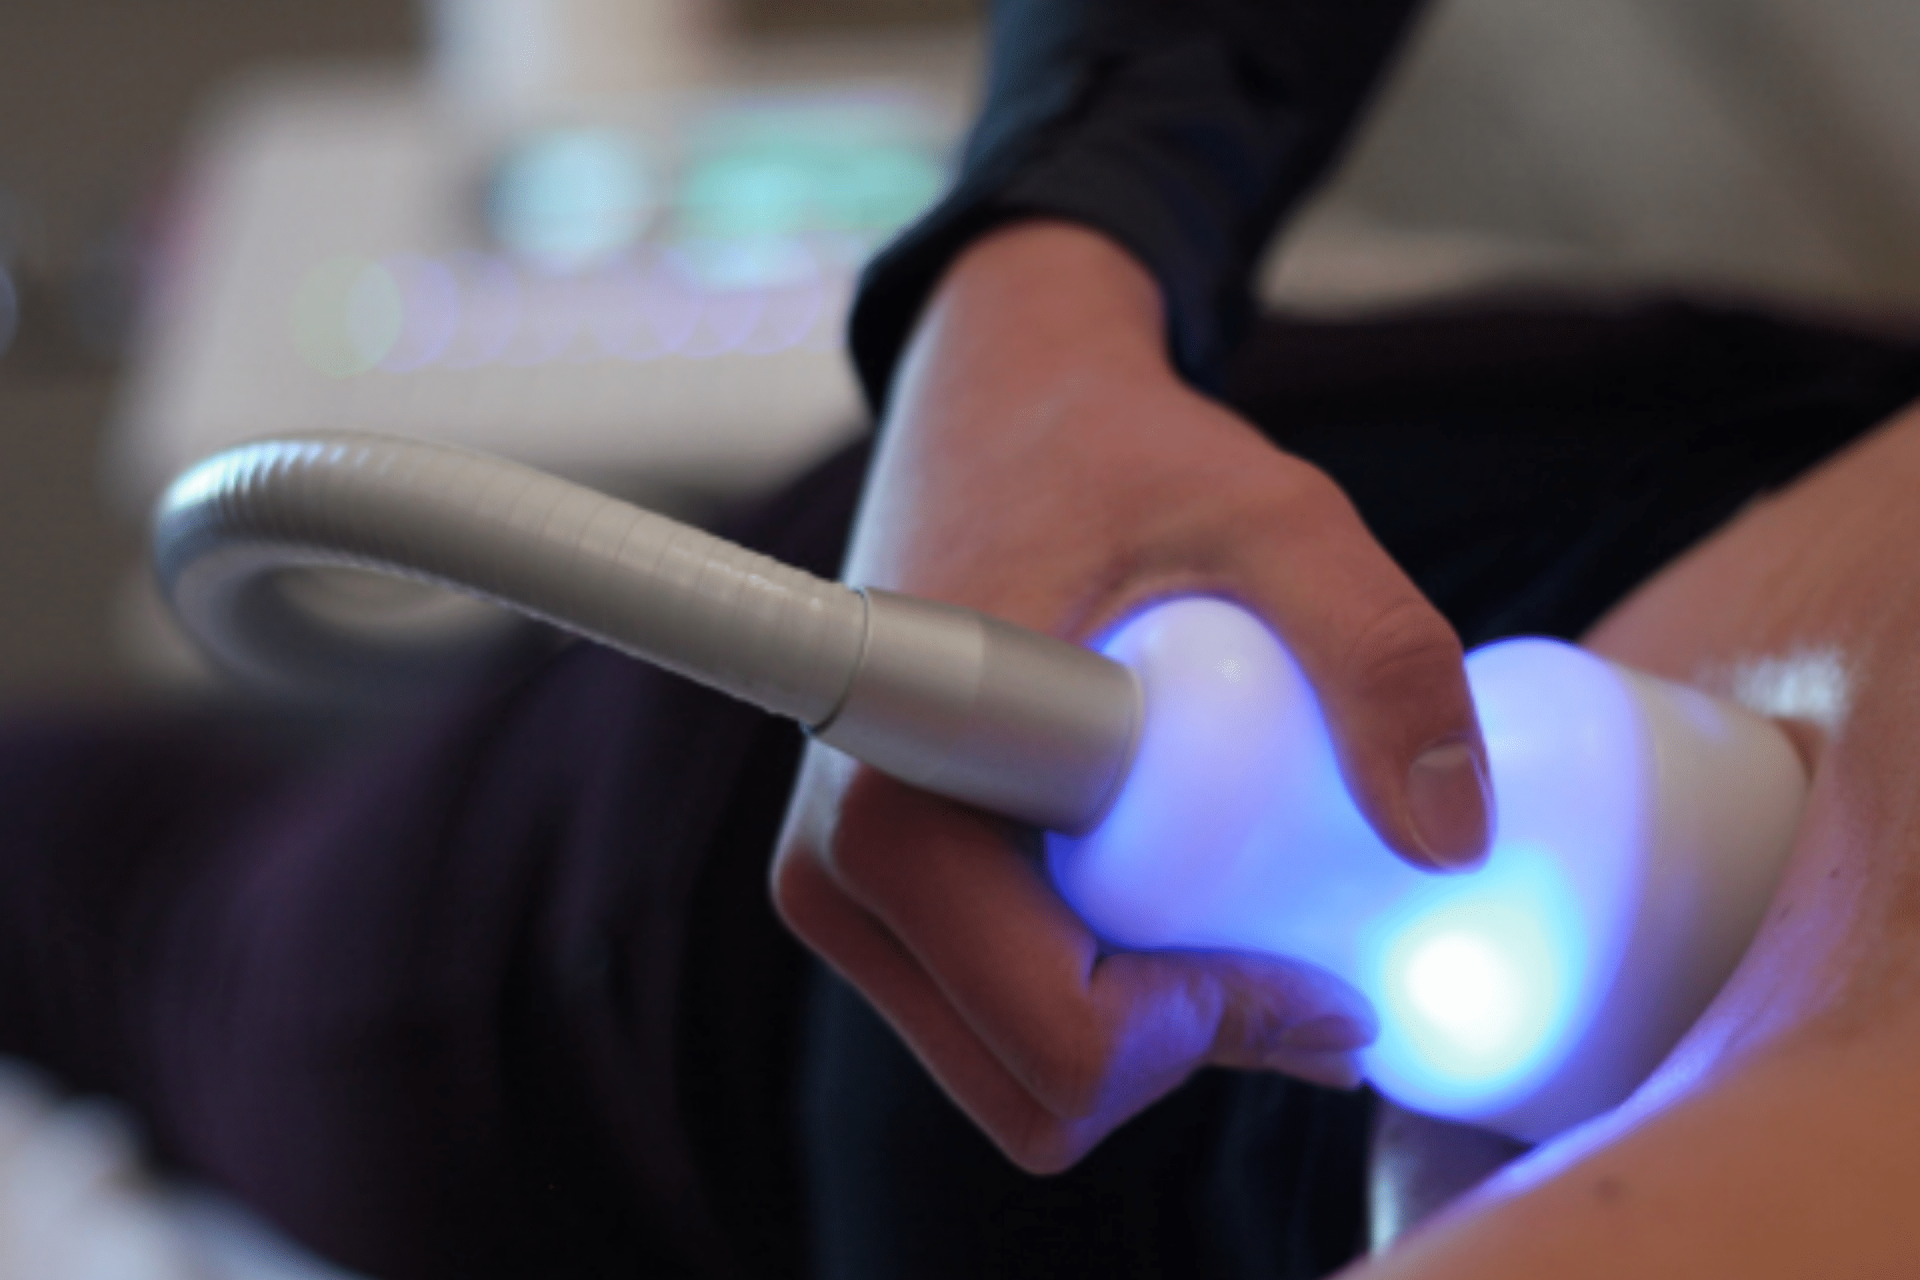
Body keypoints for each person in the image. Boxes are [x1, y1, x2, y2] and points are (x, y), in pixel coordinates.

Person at [3, 2, 1920, 1279]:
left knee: (153, 915)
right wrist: (1055, 265)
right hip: (1068, 588)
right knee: (121, 887)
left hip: (726, 1027)